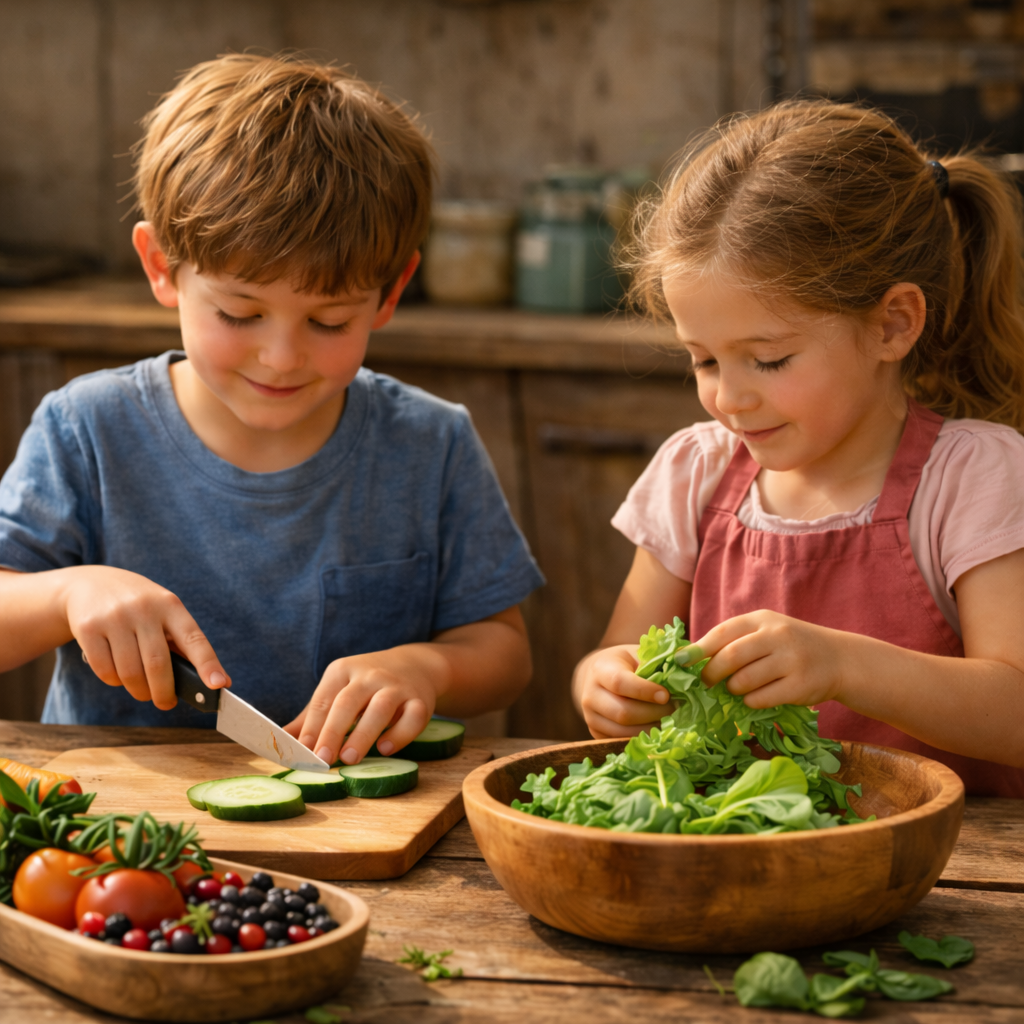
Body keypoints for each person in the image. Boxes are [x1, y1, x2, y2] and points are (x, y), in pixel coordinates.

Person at [0, 54, 543, 767]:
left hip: (355, 814)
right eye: (239, 313)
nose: (281, 358)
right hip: (112, 817)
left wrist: (426, 668)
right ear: (162, 267)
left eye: (328, 321)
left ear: (391, 291)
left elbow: (504, 655)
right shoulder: (86, 429)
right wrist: (67, 594)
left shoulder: (431, 443)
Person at [573, 100, 1024, 797]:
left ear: (892, 325)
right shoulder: (695, 473)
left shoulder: (974, 478)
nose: (729, 399)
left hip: (948, 855)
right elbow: (614, 654)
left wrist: (842, 665)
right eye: (704, 360)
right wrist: (603, 685)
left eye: (769, 360)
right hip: (740, 849)